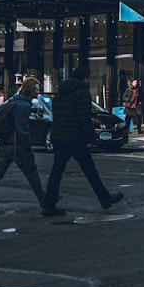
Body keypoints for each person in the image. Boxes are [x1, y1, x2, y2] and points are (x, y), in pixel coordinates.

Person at [41, 66, 124, 216]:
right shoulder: (82, 94)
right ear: (85, 78)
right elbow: (84, 119)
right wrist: (91, 138)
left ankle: (49, 204)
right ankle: (105, 198)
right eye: (88, 78)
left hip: (59, 137)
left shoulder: (60, 94)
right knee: (90, 170)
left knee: (56, 172)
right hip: (75, 138)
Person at [0, 77, 47, 217]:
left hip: (6, 144)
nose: (39, 91)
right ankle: (45, 202)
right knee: (32, 173)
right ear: (31, 89)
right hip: (17, 146)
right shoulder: (23, 105)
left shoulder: (14, 101)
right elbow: (22, 129)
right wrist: (27, 147)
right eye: (37, 88)